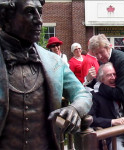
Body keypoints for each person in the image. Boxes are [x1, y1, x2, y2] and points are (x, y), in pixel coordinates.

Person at [0, 0, 92, 150]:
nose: (39, 20)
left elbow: (82, 93)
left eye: (40, 12)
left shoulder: (54, 61)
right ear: (7, 17)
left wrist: (75, 109)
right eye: (29, 12)